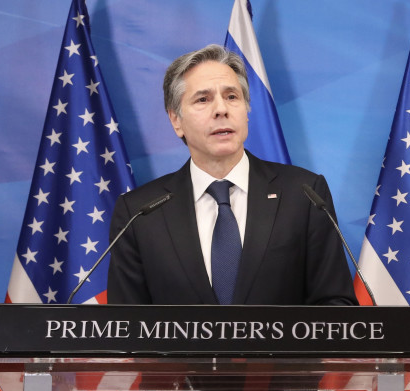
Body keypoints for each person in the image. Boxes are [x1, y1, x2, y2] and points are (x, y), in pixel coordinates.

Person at [107, 44, 357, 306]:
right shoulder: (140, 213)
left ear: (246, 111)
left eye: (231, 97)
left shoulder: (305, 194)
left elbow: (336, 306)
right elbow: (124, 324)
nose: (221, 109)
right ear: (176, 120)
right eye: (203, 99)